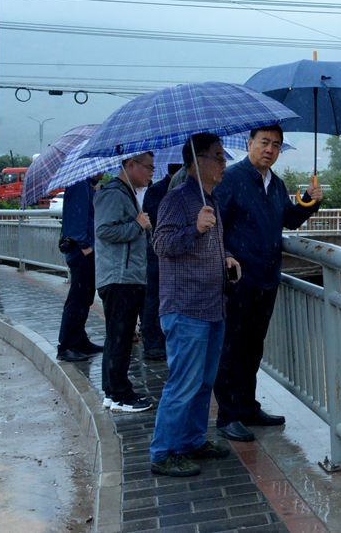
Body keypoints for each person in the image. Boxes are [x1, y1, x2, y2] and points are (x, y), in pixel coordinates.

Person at [213, 125, 323, 442]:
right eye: (264, 142)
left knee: (253, 347)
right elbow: (216, 225)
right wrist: (226, 255)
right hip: (238, 280)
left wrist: (310, 201)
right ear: (250, 143)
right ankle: (228, 415)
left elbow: (288, 219)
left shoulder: (275, 184)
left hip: (266, 278)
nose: (269, 149)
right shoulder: (231, 179)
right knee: (231, 348)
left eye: (276, 144)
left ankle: (248, 407)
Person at [149, 135, 240, 477]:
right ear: (197, 162)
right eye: (218, 156)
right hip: (186, 307)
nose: (224, 163)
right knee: (183, 383)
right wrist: (194, 229)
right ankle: (163, 453)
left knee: (203, 382)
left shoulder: (210, 200)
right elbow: (161, 244)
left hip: (212, 305)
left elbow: (213, 244)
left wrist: (226, 257)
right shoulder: (177, 199)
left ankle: (192, 440)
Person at [94, 152, 155, 413]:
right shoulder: (114, 193)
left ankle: (112, 392)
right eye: (148, 167)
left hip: (128, 276)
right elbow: (104, 230)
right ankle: (120, 395)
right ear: (130, 165)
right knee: (120, 337)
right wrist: (138, 225)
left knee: (117, 337)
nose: (151, 172)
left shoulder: (127, 193)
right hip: (120, 277)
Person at [56, 176, 103, 362]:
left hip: (84, 248)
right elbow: (77, 217)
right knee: (78, 297)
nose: (102, 172)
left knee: (85, 296)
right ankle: (66, 345)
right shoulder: (79, 184)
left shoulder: (86, 185)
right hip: (82, 250)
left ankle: (79, 340)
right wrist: (85, 247)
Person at [140, 163, 183, 361]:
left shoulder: (175, 190)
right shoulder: (157, 191)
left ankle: (165, 340)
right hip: (157, 254)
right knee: (155, 297)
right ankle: (152, 343)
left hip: (173, 255)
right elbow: (158, 223)